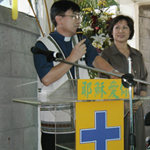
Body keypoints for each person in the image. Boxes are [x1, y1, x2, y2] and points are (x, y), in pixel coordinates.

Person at [32, 1, 117, 150]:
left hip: (82, 118)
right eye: (74, 16)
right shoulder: (43, 45)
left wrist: (114, 73)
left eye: (79, 16)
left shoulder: (81, 40)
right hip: (56, 122)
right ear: (59, 19)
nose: (78, 20)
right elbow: (46, 78)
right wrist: (72, 58)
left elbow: (96, 60)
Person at [99, 15, 148, 150]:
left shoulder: (137, 55)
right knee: (118, 143)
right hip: (116, 108)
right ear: (112, 32)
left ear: (130, 31)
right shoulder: (106, 54)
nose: (121, 31)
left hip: (136, 108)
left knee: (137, 143)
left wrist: (140, 101)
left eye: (125, 27)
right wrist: (123, 105)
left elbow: (143, 79)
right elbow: (103, 82)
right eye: (117, 28)